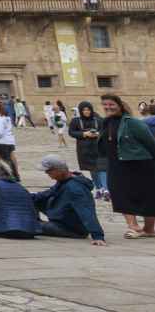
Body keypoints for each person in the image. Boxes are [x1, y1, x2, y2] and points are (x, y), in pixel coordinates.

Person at [99, 94, 155, 240]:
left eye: (111, 104)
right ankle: (133, 226)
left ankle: (148, 229)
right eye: (105, 104)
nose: (108, 107)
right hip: (116, 164)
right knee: (120, 194)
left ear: (120, 105)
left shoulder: (133, 123)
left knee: (147, 196)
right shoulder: (106, 122)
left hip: (139, 164)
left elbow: (150, 142)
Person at [31, 155, 105, 244]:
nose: (48, 175)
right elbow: (49, 193)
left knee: (27, 226)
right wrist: (27, 196)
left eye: (49, 172)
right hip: (61, 216)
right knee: (31, 199)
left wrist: (97, 236)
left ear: (58, 170)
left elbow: (86, 211)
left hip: (72, 229)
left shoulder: (74, 189)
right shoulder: (65, 179)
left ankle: (36, 224)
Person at [68, 101, 109, 200]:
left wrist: (98, 134)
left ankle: (106, 190)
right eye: (84, 110)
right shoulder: (76, 121)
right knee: (93, 170)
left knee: (102, 168)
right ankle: (98, 189)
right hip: (84, 150)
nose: (87, 112)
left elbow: (106, 130)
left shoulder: (99, 120)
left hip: (99, 148)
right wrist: (84, 134)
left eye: (88, 109)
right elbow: (71, 132)